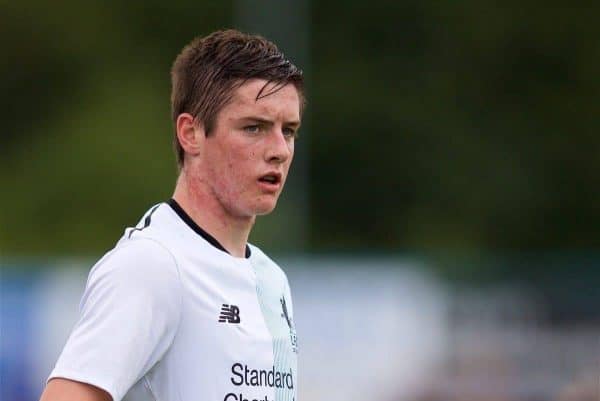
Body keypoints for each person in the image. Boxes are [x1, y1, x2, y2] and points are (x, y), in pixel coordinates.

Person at [40, 29, 304, 401]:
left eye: (288, 131)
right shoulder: (152, 265)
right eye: (253, 128)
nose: (279, 149)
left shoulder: (272, 280)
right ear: (191, 133)